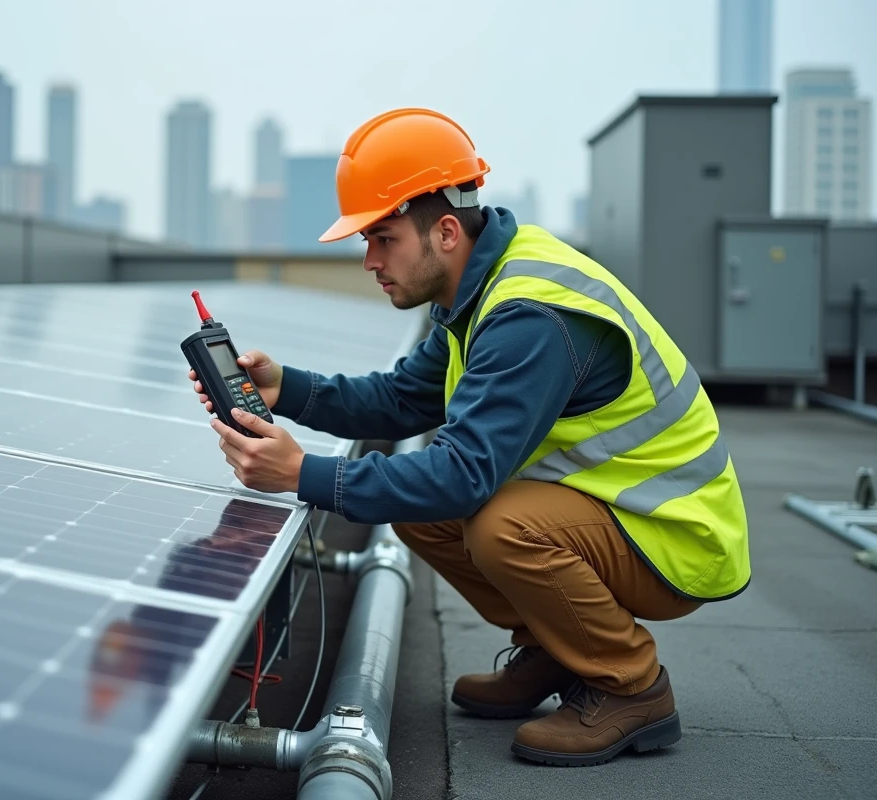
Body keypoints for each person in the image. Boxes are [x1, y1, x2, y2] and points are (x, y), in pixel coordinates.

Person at [188, 107, 750, 767]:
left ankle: (630, 687)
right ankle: (553, 649)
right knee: (421, 515)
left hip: (676, 534)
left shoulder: (529, 316)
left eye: (383, 238)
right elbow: (402, 399)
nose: (369, 259)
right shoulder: (475, 291)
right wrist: (290, 387)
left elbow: (464, 475)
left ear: (446, 231)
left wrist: (301, 474)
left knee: (498, 524)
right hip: (616, 510)